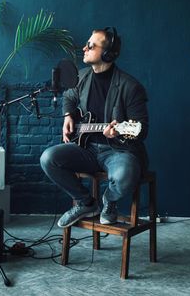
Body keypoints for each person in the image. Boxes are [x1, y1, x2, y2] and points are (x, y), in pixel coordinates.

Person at [40, 27, 149, 228]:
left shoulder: (130, 86)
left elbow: (141, 129)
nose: (84, 47)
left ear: (107, 54)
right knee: (48, 158)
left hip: (118, 151)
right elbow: (69, 97)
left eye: (90, 45)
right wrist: (67, 116)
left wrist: (118, 132)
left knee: (126, 173)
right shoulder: (81, 77)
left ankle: (109, 201)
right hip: (86, 149)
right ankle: (86, 203)